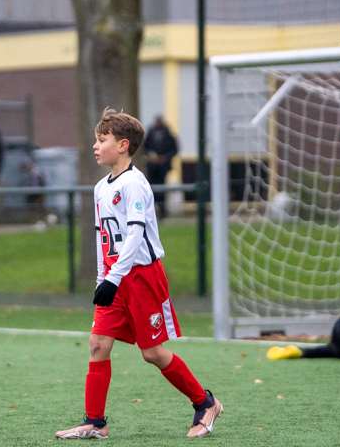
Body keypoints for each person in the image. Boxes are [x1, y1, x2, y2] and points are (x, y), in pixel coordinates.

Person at [55, 110, 222, 440]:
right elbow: (106, 240)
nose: (95, 146)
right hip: (116, 277)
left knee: (152, 353)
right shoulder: (101, 187)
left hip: (142, 276)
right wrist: (105, 278)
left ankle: (205, 403)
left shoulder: (135, 183)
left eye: (102, 140)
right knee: (98, 344)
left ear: (123, 145)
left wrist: (114, 278)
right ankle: (95, 423)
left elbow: (134, 236)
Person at [143, 115, 178, 219]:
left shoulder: (168, 133)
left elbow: (174, 149)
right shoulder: (151, 133)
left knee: (162, 190)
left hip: (163, 167)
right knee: (151, 189)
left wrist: (165, 158)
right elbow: (144, 147)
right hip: (152, 167)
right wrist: (150, 155)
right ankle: (153, 211)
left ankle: (162, 211)